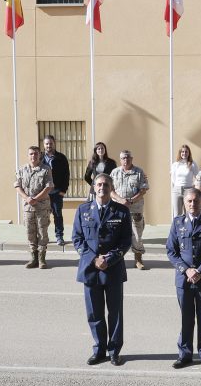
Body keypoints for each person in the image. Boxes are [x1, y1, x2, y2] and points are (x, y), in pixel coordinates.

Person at [72, 173, 132, 366]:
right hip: (90, 269)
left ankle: (114, 351)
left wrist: (109, 258)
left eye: (106, 184)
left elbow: (125, 241)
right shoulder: (83, 210)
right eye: (99, 184)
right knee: (94, 313)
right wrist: (93, 259)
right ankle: (99, 350)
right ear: (94, 187)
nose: (102, 188)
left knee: (115, 313)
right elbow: (77, 239)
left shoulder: (121, 211)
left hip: (112, 269)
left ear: (111, 188)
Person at [166, 189, 201, 370]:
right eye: (189, 201)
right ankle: (185, 354)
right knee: (186, 318)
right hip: (184, 279)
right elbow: (171, 251)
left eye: (195, 201)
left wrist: (200, 270)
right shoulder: (177, 223)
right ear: (185, 203)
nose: (192, 204)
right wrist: (187, 270)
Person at [15, 145, 55, 269]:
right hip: (28, 207)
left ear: (39, 155)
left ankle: (42, 259)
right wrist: (27, 198)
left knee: (42, 233)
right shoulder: (22, 170)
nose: (33, 156)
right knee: (30, 233)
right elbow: (17, 186)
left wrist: (35, 199)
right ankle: (33, 258)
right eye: (31, 154)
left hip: (41, 207)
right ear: (28, 156)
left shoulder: (46, 169)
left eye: (36, 154)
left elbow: (48, 187)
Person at [110, 150, 149, 270]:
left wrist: (131, 201)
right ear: (120, 159)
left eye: (127, 158)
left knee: (137, 235)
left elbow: (143, 190)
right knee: (116, 234)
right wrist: (121, 200)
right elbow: (110, 190)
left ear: (131, 159)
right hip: (118, 208)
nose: (125, 160)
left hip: (135, 208)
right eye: (123, 158)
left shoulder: (139, 172)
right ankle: (116, 259)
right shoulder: (114, 172)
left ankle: (138, 259)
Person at [42, 135, 70, 246]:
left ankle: (59, 236)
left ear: (54, 143)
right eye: (47, 143)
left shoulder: (61, 158)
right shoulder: (40, 158)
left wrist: (63, 190)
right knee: (43, 216)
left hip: (57, 192)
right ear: (44, 145)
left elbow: (66, 175)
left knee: (58, 215)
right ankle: (44, 236)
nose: (49, 145)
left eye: (51, 143)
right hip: (43, 193)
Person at [169, 144, 199, 218]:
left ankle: (189, 229)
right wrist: (177, 185)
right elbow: (173, 178)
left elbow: (198, 177)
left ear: (189, 153)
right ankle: (177, 229)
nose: (184, 153)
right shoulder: (175, 165)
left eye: (186, 152)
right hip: (177, 190)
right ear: (180, 153)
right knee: (177, 214)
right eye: (182, 152)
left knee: (189, 213)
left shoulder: (192, 164)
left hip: (188, 190)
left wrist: (193, 187)